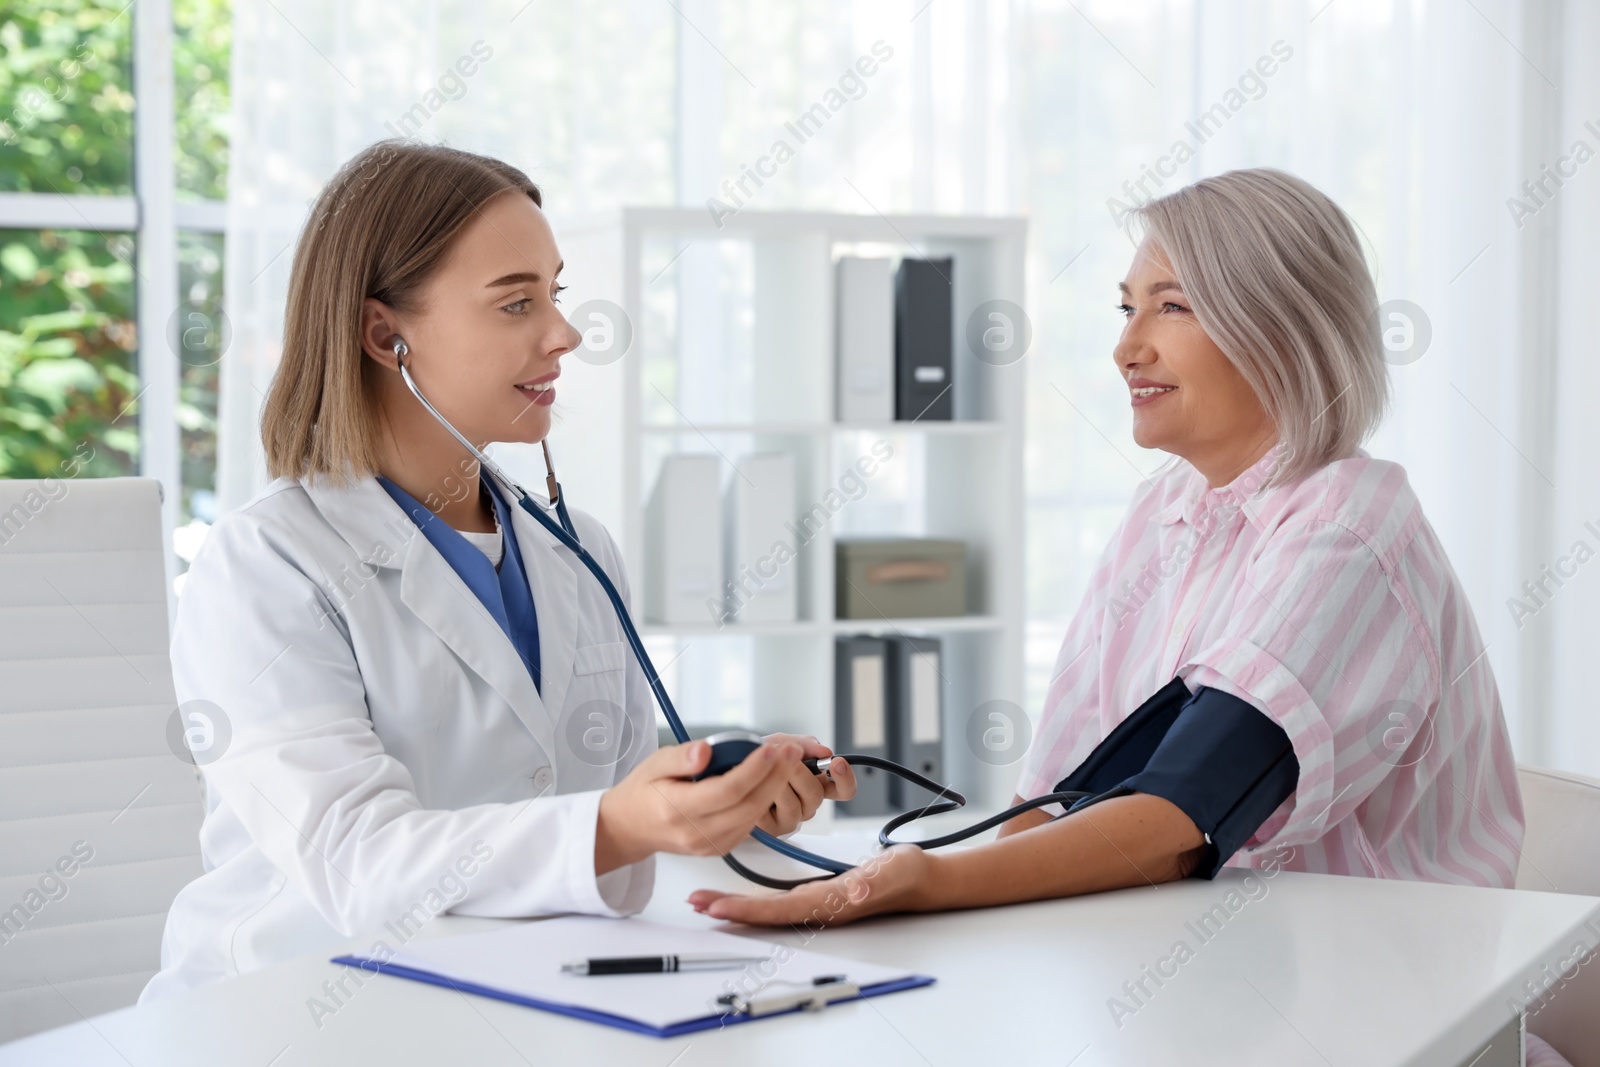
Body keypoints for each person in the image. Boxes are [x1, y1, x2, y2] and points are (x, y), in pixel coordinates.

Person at [690, 168, 1565, 1064]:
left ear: (1282, 326)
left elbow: (1186, 807)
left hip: (1386, 1022)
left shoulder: (1353, 523)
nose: (1126, 349)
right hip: (1206, 995)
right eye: (1126, 308)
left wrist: (928, 881)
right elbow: (1061, 797)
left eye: (1172, 307)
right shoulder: (1167, 514)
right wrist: (915, 908)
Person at [142, 141, 854, 999]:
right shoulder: (267, 564)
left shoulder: (576, 549)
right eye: (516, 303)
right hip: (285, 1012)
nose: (565, 331)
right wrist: (615, 824)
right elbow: (357, 860)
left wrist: (717, 800)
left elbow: (606, 817)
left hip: (525, 998)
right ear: (383, 333)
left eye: (553, 294)